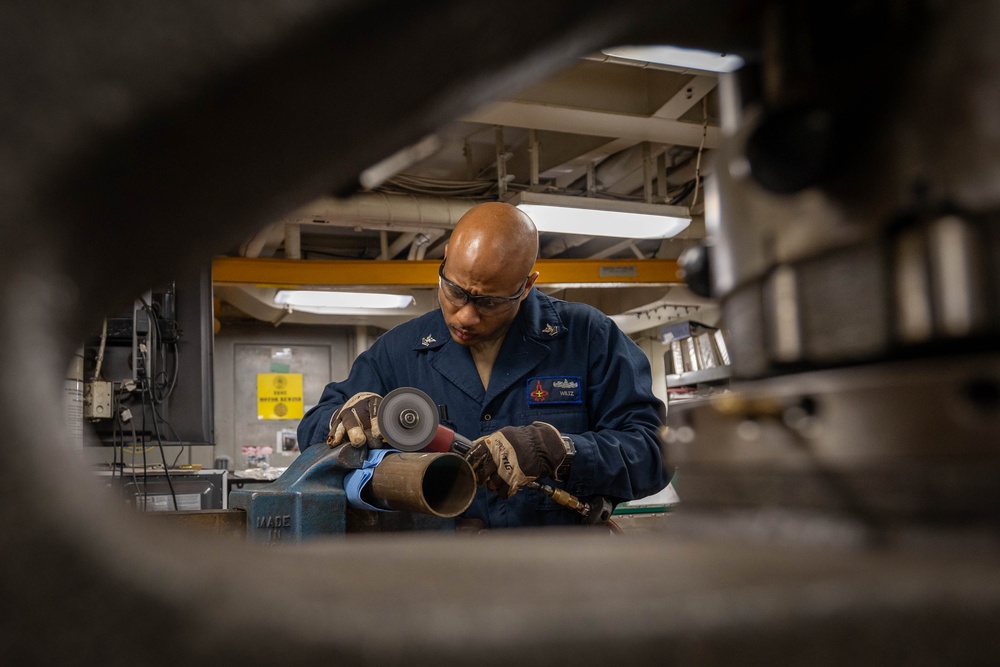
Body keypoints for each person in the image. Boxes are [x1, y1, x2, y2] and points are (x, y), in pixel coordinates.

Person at [297, 201, 669, 528]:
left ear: (526, 285)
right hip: (440, 576)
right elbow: (312, 430)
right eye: (455, 291)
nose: (466, 316)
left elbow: (654, 453)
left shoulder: (588, 338)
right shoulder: (399, 351)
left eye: (489, 302)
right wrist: (342, 418)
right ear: (444, 258)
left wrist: (562, 450)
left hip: (559, 571)